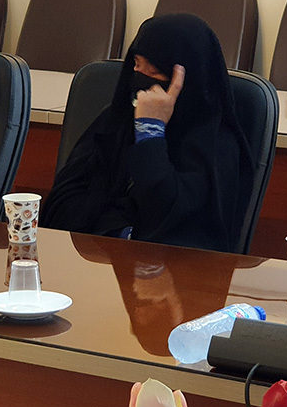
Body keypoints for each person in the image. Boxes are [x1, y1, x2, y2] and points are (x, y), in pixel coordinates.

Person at [41, 13, 253, 252]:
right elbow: (63, 203)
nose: (140, 81)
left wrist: (150, 133)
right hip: (97, 259)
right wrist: (114, 232)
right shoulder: (117, 120)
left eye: (154, 71)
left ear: (189, 77)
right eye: (136, 65)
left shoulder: (217, 145)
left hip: (172, 271)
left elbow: (175, 226)